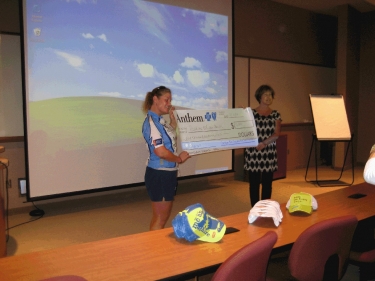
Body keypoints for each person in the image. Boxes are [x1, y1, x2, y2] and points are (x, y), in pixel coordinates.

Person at [142, 86, 190, 230]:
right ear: (155, 99)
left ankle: (154, 247)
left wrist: (173, 121)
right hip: (160, 174)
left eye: (170, 100)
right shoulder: (152, 122)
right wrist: (179, 159)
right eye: (166, 99)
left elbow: (169, 138)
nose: (169, 103)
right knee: (160, 218)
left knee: (162, 216)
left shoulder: (160, 121)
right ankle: (153, 250)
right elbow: (161, 152)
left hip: (166, 173)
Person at [244, 85, 282, 207]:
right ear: (259, 97)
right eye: (265, 94)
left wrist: (264, 143)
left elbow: (276, 134)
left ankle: (265, 208)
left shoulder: (276, 114)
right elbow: (245, 131)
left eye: (270, 95)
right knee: (254, 184)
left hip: (268, 151)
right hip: (253, 151)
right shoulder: (251, 113)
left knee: (267, 183)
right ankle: (254, 208)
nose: (268, 97)